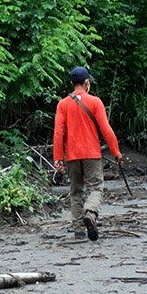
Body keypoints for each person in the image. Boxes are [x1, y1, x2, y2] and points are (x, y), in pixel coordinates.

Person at [52, 66, 122, 241]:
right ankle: (90, 213)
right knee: (96, 187)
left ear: (72, 83)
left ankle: (78, 231)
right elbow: (106, 129)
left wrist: (58, 158)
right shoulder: (95, 102)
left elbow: (58, 132)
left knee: (76, 191)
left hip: (72, 156)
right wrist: (116, 152)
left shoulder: (62, 104)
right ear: (87, 83)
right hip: (91, 153)